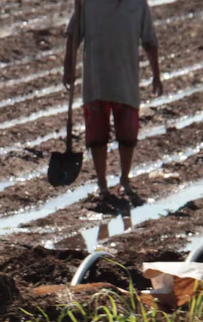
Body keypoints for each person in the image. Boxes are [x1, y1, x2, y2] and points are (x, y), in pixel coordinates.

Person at [63, 0, 163, 202]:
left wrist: (156, 75)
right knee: (97, 137)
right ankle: (102, 185)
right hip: (96, 80)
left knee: (127, 135)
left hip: (125, 80)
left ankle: (125, 180)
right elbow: (73, 35)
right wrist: (68, 66)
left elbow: (149, 42)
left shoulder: (137, 5)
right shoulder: (88, 4)